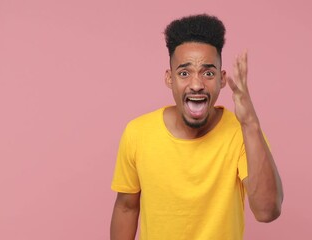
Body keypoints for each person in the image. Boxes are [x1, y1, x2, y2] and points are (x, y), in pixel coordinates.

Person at [110, 14, 283, 240]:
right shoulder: (138, 133)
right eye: (184, 73)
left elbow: (267, 211)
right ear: (169, 79)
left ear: (222, 79)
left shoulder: (243, 133)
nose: (196, 84)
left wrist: (250, 124)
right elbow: (126, 207)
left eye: (208, 73)